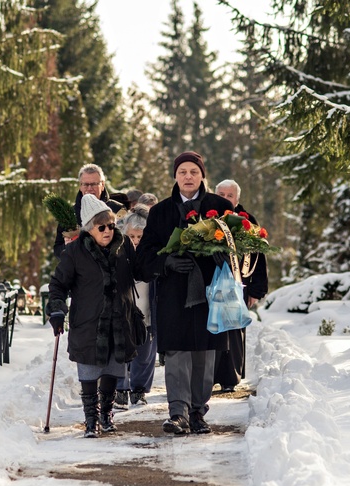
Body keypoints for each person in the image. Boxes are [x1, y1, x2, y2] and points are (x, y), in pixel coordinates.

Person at [135, 151, 234, 435]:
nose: (188, 176)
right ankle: (178, 412)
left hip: (209, 292)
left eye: (193, 171)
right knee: (177, 353)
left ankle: (198, 412)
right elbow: (144, 256)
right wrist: (166, 262)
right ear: (175, 176)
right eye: (182, 172)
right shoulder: (160, 212)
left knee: (204, 353)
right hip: (173, 295)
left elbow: (239, 246)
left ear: (202, 175)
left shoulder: (220, 206)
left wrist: (221, 255)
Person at [47, 194, 143, 438]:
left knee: (113, 370)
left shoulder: (123, 248)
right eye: (102, 227)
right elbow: (58, 284)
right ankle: (91, 420)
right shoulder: (75, 253)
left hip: (119, 320)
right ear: (89, 229)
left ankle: (106, 415)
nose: (108, 230)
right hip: (89, 323)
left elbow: (139, 271)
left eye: (111, 225)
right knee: (89, 373)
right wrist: (57, 310)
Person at [213, 179, 269, 392]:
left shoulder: (248, 221)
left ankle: (230, 378)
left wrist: (256, 290)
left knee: (234, 332)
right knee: (212, 330)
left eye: (229, 195)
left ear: (237, 199)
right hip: (213, 286)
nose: (225, 199)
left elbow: (259, 257)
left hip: (239, 285)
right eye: (221, 194)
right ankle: (209, 376)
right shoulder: (207, 220)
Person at [113, 208, 157, 409]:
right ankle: (120, 388)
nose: (136, 240)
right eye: (131, 236)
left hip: (147, 309)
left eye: (140, 236)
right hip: (125, 310)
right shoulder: (118, 252)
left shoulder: (150, 253)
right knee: (121, 349)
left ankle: (139, 390)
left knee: (146, 351)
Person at [53, 164, 125, 258]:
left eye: (94, 184)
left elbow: (129, 242)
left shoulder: (118, 209)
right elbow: (57, 249)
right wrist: (67, 247)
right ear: (80, 186)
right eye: (86, 184)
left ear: (102, 185)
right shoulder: (68, 214)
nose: (90, 188)